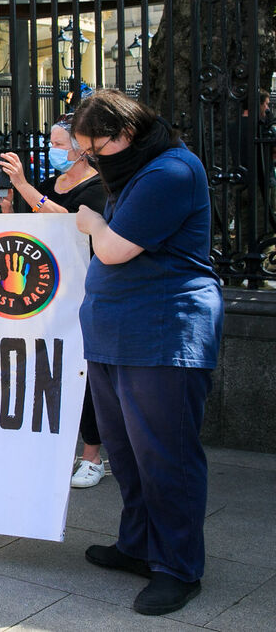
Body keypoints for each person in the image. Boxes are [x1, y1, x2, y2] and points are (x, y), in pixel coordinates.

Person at [71, 90, 223, 616]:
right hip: (117, 333)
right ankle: (138, 545)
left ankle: (178, 568)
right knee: (127, 452)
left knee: (166, 457)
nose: (92, 160)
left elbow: (114, 249)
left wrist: (94, 224)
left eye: (96, 149)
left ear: (127, 134)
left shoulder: (171, 171)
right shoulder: (137, 168)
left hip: (162, 333)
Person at [0, 115, 109, 488]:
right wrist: (8, 205)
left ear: (81, 149)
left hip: (82, 291)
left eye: (58, 144)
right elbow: (28, 231)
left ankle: (93, 456)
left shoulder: (98, 187)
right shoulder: (47, 186)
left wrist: (24, 186)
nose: (51, 150)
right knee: (50, 373)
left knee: (86, 376)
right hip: (44, 294)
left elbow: (70, 222)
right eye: (51, 143)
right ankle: (58, 450)